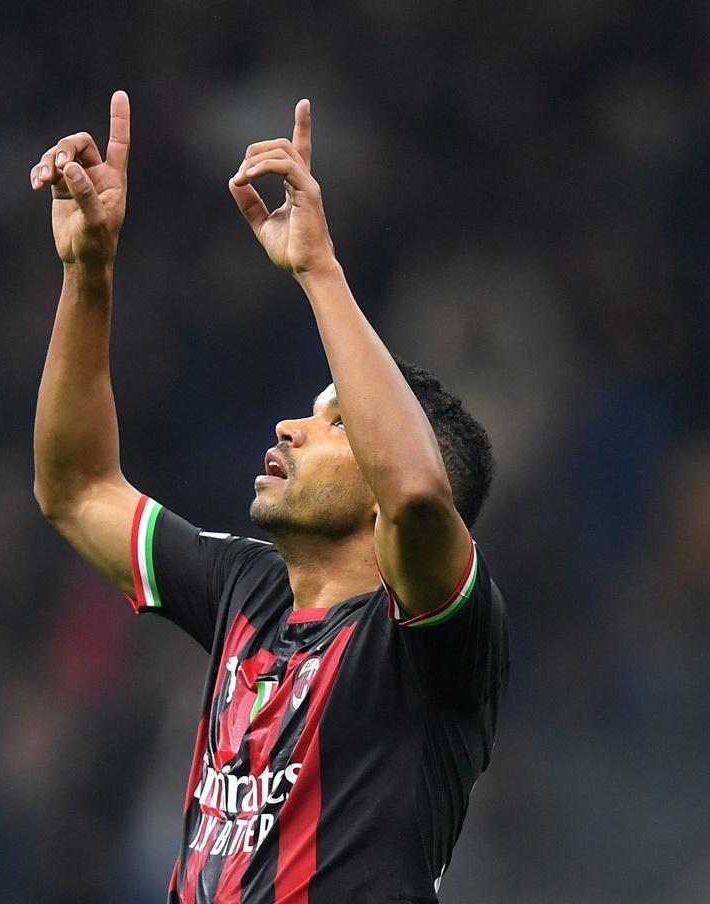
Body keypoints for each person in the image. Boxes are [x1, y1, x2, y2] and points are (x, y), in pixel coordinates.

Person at [29, 90, 509, 903]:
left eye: (335, 423)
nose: (290, 427)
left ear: (378, 497)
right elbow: (75, 489)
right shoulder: (246, 590)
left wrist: (320, 272)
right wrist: (88, 273)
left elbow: (422, 496)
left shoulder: (435, 644)